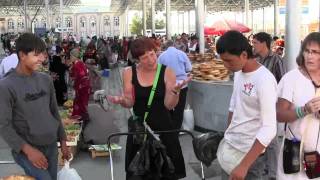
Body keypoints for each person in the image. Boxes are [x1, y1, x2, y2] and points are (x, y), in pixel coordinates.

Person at [108, 37, 191, 180]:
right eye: (144, 57)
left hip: (164, 130)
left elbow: (169, 105)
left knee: (166, 174)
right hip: (140, 132)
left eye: (152, 54)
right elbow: (130, 102)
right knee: (139, 174)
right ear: (137, 60)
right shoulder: (129, 72)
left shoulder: (167, 71)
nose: (151, 60)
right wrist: (122, 100)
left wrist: (175, 92)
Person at [0, 33, 70, 180]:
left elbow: (54, 112)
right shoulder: (6, 86)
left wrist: (63, 141)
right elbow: (4, 125)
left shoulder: (45, 80)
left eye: (43, 54)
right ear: (22, 55)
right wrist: (28, 151)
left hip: (51, 146)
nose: (42, 59)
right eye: (36, 55)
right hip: (26, 149)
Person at [216, 31, 277, 180]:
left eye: (229, 60)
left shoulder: (264, 80)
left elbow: (270, 128)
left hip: (250, 157)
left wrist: (243, 166)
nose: (225, 65)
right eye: (223, 60)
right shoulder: (239, 72)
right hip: (231, 147)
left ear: (244, 55)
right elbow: (233, 105)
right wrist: (228, 134)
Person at [276, 32, 320, 179]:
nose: (309, 56)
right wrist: (304, 110)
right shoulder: (292, 78)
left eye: (315, 52)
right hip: (294, 153)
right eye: (306, 51)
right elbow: (279, 114)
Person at [252, 32, 286, 180]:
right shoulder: (256, 60)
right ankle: (267, 169)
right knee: (262, 139)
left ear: (263, 44)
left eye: (255, 43)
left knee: (271, 141)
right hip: (257, 107)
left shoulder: (276, 60)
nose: (253, 45)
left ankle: (274, 173)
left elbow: (283, 82)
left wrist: (278, 104)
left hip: (271, 106)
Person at [158, 40, 192, 130]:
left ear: (165, 46)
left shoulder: (162, 56)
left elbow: (158, 71)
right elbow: (189, 68)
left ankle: (169, 128)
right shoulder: (182, 54)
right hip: (182, 85)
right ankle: (176, 130)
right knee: (179, 109)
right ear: (174, 45)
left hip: (168, 85)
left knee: (168, 107)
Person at [68, 48, 91, 122]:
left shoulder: (77, 65)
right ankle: (83, 116)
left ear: (75, 56)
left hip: (82, 86)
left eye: (71, 56)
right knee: (82, 102)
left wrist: (74, 81)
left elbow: (80, 75)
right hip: (85, 86)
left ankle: (81, 117)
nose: (70, 58)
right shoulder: (80, 63)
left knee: (80, 102)